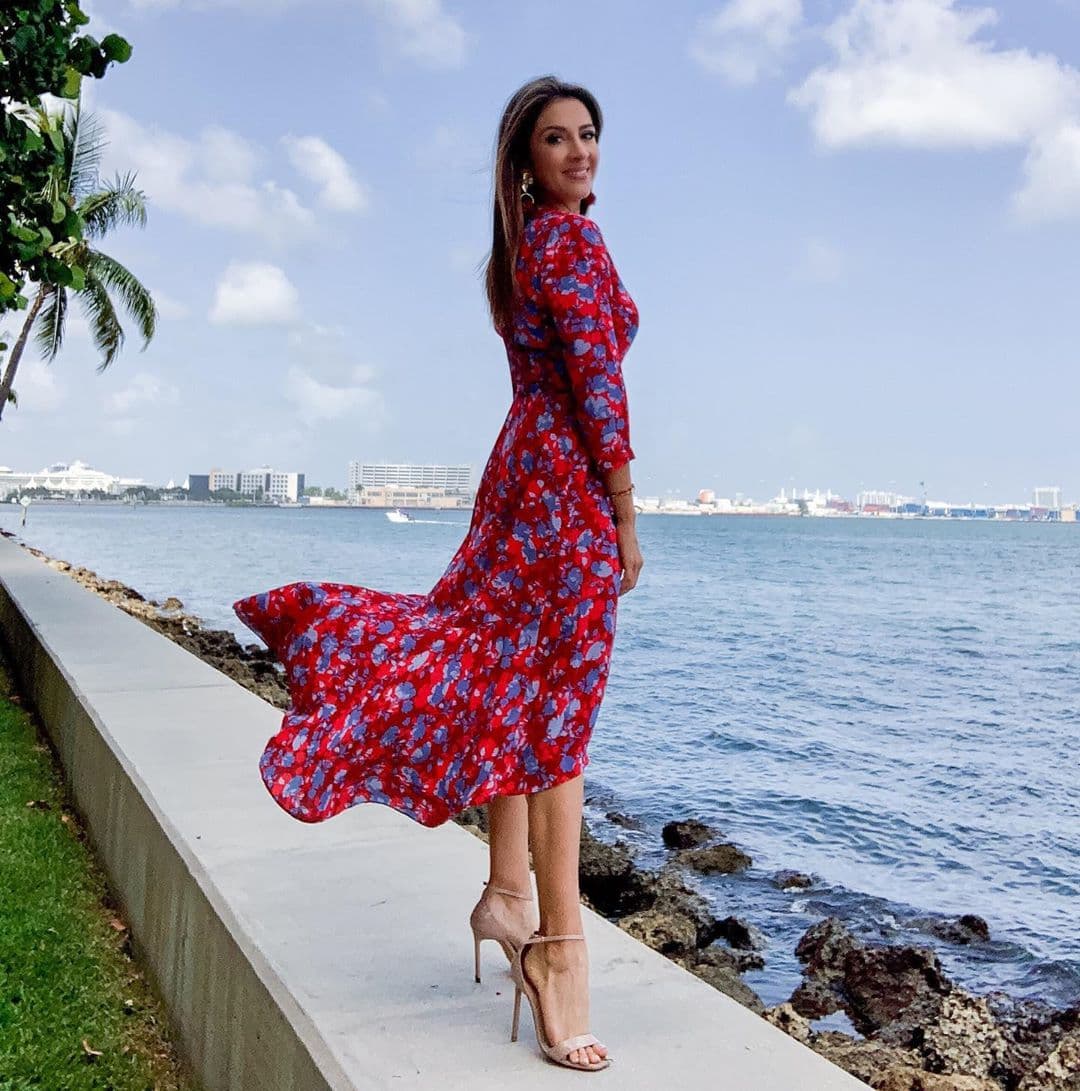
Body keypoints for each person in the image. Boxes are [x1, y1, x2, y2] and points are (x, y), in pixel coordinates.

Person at [232, 74, 642, 1073]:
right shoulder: (571, 242)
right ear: (524, 162)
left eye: (590, 134)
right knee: (560, 724)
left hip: (518, 482)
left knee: (512, 681)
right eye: (558, 139)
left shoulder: (522, 252)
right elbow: (599, 387)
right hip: (562, 497)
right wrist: (626, 510)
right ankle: (557, 953)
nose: (581, 151)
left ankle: (506, 890)